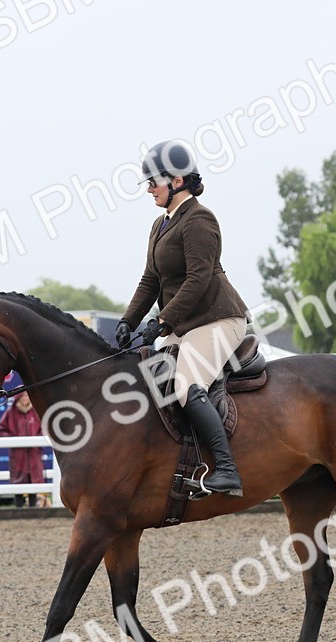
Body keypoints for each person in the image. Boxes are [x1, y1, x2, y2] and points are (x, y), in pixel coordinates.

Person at [117, 140, 251, 497]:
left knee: (185, 386)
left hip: (219, 319)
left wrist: (161, 322)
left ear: (176, 181)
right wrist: (128, 322)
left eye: (153, 182)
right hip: (187, 323)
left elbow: (198, 279)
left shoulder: (200, 219)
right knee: (152, 381)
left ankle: (227, 470)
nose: (148, 189)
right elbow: (150, 280)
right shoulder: (160, 224)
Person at [0, 393, 48, 507]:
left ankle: (32, 507)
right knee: (18, 481)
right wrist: (12, 440)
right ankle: (19, 508)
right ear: (18, 398)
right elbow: (1, 430)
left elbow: (42, 429)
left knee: (33, 480)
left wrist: (38, 441)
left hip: (34, 454)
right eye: (23, 396)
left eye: (27, 396)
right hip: (18, 455)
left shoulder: (35, 412)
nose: (25, 398)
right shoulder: (11, 413)